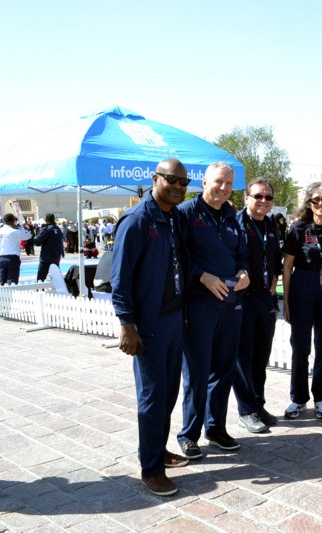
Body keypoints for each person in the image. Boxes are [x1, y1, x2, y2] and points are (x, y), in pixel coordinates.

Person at [111, 158, 191, 496]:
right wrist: (126, 324)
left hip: (174, 318)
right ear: (155, 178)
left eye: (183, 182)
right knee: (152, 397)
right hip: (149, 324)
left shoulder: (173, 218)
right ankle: (151, 468)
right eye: (171, 179)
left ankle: (158, 450)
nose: (177, 186)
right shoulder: (137, 220)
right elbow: (121, 277)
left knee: (169, 393)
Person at [176, 162, 256, 460]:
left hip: (231, 304)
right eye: (218, 182)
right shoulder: (186, 213)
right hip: (198, 305)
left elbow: (241, 254)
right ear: (205, 181)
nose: (223, 188)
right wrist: (202, 276)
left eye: (229, 183)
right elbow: (177, 256)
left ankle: (216, 428)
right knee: (197, 372)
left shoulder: (232, 216)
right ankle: (189, 434)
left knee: (223, 369)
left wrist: (244, 271)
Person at [282, 182, 322, 420]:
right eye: (316, 199)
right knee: (301, 347)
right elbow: (287, 267)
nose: (320, 203)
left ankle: (321, 399)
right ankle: (298, 399)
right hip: (302, 288)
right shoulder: (298, 229)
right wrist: (286, 303)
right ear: (309, 203)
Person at [236, 177, 283, 427]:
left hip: (265, 298)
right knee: (243, 357)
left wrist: (274, 277)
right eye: (258, 196)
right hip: (243, 299)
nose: (263, 201)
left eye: (268, 197)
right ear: (247, 198)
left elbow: (274, 257)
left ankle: (258, 405)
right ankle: (246, 411)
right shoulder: (236, 223)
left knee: (260, 357)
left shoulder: (270, 225)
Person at [0, 213, 31, 285]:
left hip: (1, 258)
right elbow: (28, 235)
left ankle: (2, 295)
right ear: (13, 221)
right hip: (13, 259)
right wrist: (20, 227)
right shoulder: (15, 231)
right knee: (12, 281)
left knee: (2, 280)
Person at [34, 213, 64, 281]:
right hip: (56, 256)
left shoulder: (47, 229)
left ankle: (40, 289)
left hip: (46, 256)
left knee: (41, 276)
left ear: (46, 219)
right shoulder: (58, 229)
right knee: (56, 275)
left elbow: (37, 241)